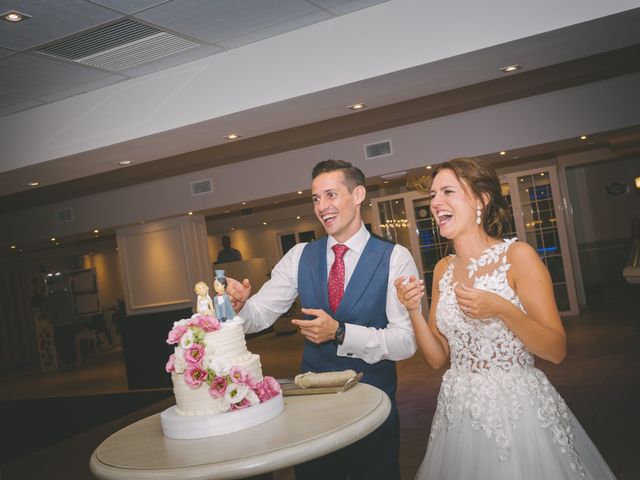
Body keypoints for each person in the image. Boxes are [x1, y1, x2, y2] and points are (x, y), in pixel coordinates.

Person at [394, 157, 615, 479]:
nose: (435, 203)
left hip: (517, 411)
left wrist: (503, 310)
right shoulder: (443, 269)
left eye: (447, 192)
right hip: (458, 409)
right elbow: (437, 358)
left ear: (482, 199)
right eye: (432, 195)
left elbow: (556, 350)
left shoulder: (518, 257)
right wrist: (413, 311)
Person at [227, 159, 418, 480]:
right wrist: (239, 308)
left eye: (330, 195)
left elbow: (406, 342)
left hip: (370, 404)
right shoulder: (299, 255)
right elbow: (258, 316)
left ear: (358, 195)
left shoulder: (395, 258)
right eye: (316, 198)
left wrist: (341, 332)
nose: (321, 206)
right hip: (311, 409)